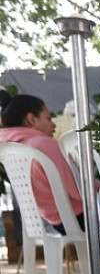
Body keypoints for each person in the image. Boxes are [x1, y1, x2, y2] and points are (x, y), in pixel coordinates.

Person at [0, 92, 84, 234]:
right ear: (32, 119)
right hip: (80, 218)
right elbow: (79, 190)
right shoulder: (44, 144)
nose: (54, 125)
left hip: (56, 222)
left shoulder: (10, 149)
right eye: (49, 118)